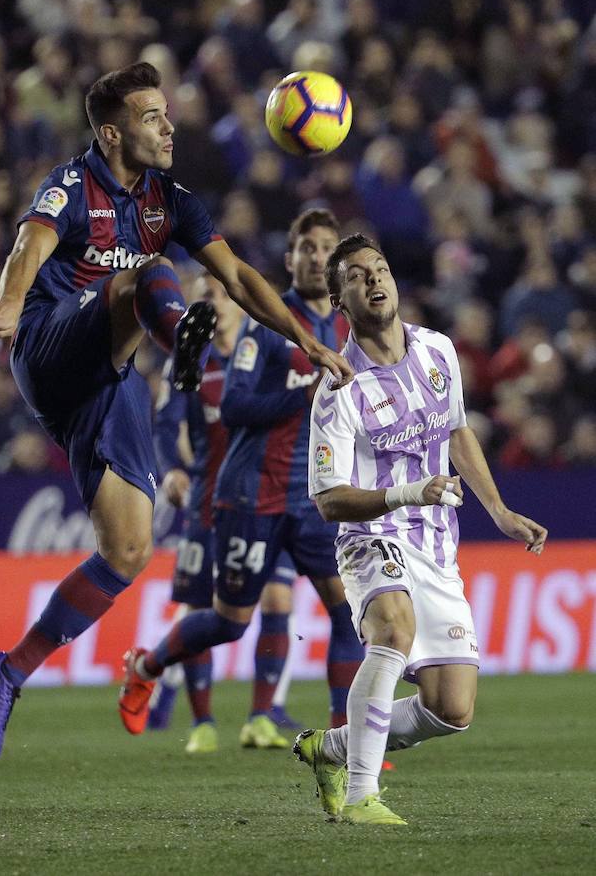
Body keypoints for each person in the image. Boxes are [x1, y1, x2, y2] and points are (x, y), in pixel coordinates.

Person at [0, 61, 351, 763]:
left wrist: (305, 341)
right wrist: (14, 300)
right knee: (142, 276)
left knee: (129, 550)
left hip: (109, 375)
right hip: (49, 341)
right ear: (112, 134)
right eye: (151, 118)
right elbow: (31, 244)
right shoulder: (73, 184)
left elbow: (237, 278)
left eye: (167, 114)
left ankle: (8, 669)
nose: (169, 127)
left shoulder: (170, 199)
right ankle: (184, 351)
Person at [294, 233, 548, 824]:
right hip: (371, 537)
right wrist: (410, 492)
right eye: (357, 276)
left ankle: (331, 748)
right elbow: (330, 501)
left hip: (436, 546)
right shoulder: (338, 389)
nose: (374, 280)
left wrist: (501, 512)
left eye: (380, 268)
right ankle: (361, 797)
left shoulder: (437, 350)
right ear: (340, 301)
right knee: (392, 630)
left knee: (451, 710)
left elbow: (457, 431)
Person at [119, 209, 365, 745]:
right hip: (251, 494)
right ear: (291, 258)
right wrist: (303, 394)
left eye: (327, 246)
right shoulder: (266, 327)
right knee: (229, 622)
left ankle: (348, 742)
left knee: (349, 615)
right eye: (307, 247)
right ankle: (147, 667)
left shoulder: (347, 329)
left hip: (314, 499)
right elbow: (232, 406)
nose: (318, 255)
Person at [147, 271, 302, 751]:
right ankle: (203, 723)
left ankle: (259, 716)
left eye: (214, 294)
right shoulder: (189, 361)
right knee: (202, 608)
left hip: (268, 498)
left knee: (278, 600)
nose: (207, 303)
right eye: (198, 298)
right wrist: (171, 469)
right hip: (208, 502)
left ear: (237, 302)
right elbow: (164, 426)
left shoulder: (269, 355)